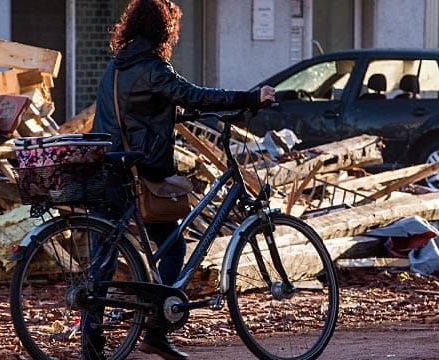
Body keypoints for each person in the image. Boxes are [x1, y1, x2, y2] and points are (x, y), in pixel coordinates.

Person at [89, 1, 275, 359]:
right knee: (173, 248)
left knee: (104, 257)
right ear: (163, 30)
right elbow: (194, 95)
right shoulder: (153, 68)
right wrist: (250, 97)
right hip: (140, 173)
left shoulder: (116, 67)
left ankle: (94, 340)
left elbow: (140, 111)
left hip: (108, 168)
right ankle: (156, 329)